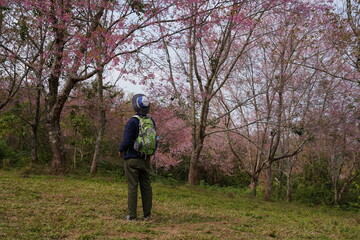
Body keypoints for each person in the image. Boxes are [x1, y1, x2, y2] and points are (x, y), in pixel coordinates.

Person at [118, 94, 154, 221]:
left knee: (133, 186)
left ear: (135, 106)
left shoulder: (132, 121)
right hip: (146, 158)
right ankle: (147, 215)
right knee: (146, 186)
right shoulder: (151, 121)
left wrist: (120, 149)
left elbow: (127, 141)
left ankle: (132, 215)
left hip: (132, 158)